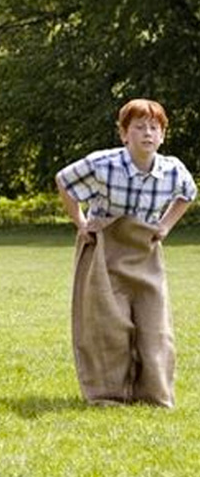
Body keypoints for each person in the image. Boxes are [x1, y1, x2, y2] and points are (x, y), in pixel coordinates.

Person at [56, 98, 196, 407]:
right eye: (139, 127)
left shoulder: (172, 170)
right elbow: (64, 181)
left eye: (154, 127)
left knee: (154, 325)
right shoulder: (103, 164)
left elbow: (188, 193)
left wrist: (165, 226)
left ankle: (154, 395)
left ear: (162, 135)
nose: (147, 133)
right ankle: (109, 394)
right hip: (105, 248)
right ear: (124, 134)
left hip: (145, 251)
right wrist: (80, 222)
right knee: (108, 324)